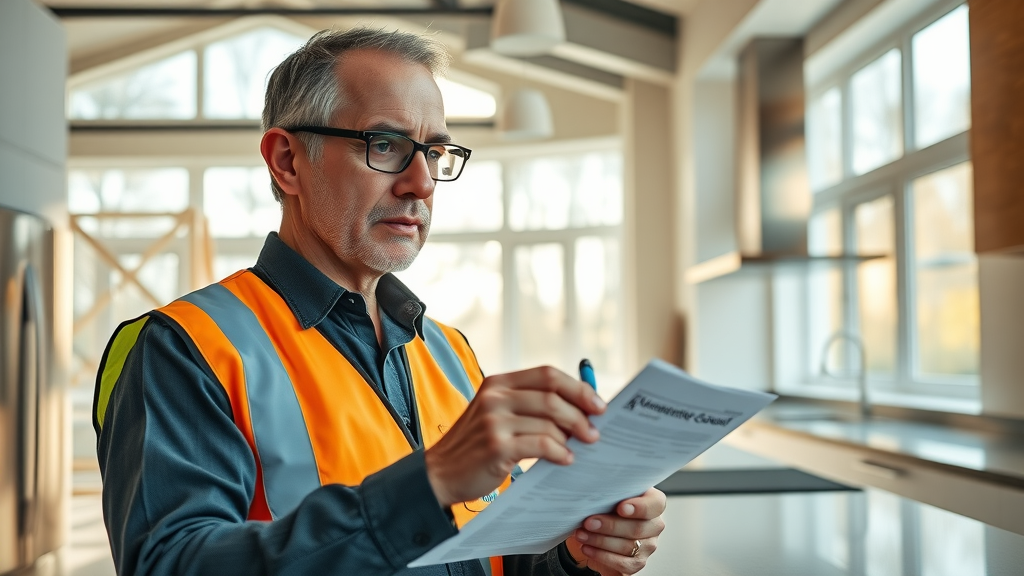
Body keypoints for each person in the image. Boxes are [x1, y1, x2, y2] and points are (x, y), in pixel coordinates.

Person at [93, 27, 666, 576]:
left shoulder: (448, 351)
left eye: (435, 152)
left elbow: (485, 559)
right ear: (288, 161)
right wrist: (430, 481)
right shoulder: (184, 349)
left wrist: (570, 556)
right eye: (386, 144)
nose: (422, 183)